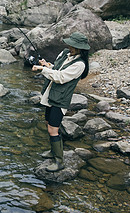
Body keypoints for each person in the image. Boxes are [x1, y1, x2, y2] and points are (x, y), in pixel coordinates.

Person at [32, 32, 90, 172]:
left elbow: (62, 77)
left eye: (73, 46)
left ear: (80, 48)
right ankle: (53, 152)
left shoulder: (80, 65)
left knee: (53, 129)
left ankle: (59, 161)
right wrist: (48, 65)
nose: (69, 47)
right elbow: (57, 69)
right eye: (70, 44)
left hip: (60, 99)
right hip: (50, 95)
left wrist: (42, 69)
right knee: (48, 123)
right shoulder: (65, 53)